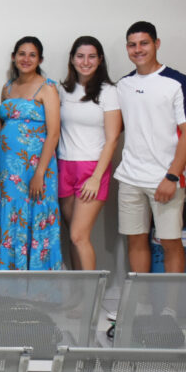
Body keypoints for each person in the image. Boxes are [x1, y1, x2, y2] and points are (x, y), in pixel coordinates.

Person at [115, 21, 186, 273]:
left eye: (144, 43)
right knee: (135, 240)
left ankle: (170, 300)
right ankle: (140, 297)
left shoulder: (179, 82)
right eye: (132, 45)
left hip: (165, 178)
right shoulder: (123, 85)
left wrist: (172, 176)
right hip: (130, 177)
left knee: (170, 242)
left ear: (156, 44)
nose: (138, 49)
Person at [0, 36, 63, 271]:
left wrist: (39, 173)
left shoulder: (47, 87)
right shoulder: (7, 88)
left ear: (40, 59)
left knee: (35, 214)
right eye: (22, 53)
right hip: (7, 170)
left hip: (36, 168)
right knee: (10, 216)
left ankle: (37, 283)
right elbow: (3, 127)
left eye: (32, 55)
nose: (26, 59)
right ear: (14, 57)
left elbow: (53, 133)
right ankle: (8, 279)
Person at [58, 36, 121, 270]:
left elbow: (113, 138)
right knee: (73, 236)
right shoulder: (62, 91)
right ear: (72, 59)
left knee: (79, 236)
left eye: (92, 56)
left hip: (92, 168)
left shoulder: (109, 92)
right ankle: (78, 290)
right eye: (80, 56)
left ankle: (92, 292)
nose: (85, 62)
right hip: (64, 166)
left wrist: (96, 177)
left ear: (100, 59)